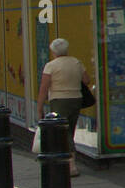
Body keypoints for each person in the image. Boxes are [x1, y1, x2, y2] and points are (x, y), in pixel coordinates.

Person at [37, 38, 93, 177]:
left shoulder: (51, 66)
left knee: (63, 132)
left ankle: (71, 164)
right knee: (70, 130)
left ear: (53, 52)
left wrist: (39, 107)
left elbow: (44, 88)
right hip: (76, 99)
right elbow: (86, 80)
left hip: (59, 100)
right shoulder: (76, 62)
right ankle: (69, 161)